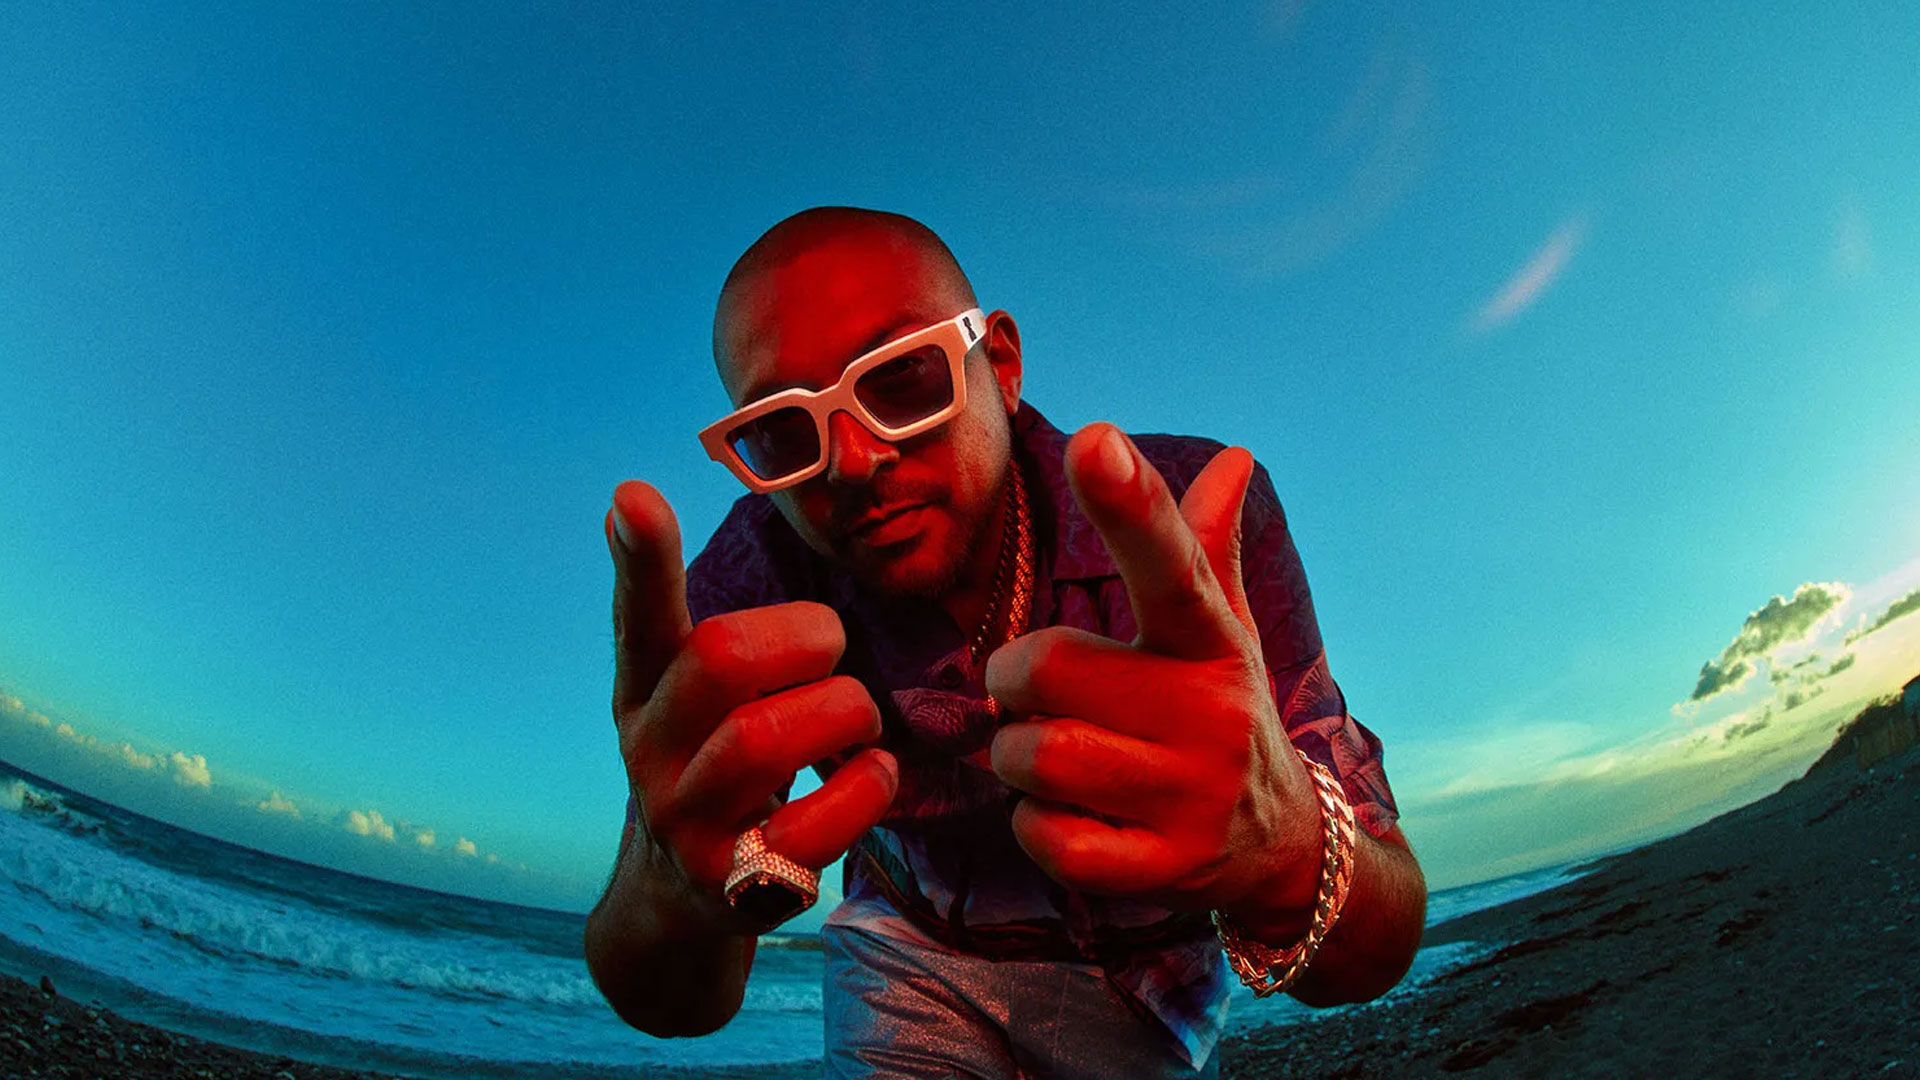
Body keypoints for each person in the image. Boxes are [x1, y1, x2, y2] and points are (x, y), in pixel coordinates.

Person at [584, 207, 1427, 1078]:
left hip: (1156, 975)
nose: (852, 459)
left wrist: (1285, 846)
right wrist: (672, 888)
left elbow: (1380, 937)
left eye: (902, 376)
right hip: (907, 951)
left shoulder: (1193, 521)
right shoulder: (750, 584)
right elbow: (678, 1004)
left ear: (1001, 364)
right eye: (783, 429)